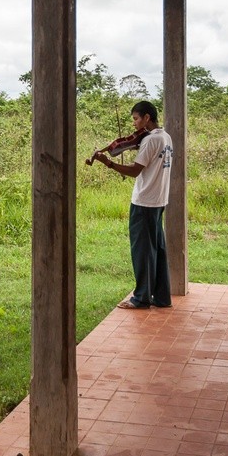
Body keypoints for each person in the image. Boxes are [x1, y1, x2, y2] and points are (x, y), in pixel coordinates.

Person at [93, 101, 173, 309]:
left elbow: (135, 171)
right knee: (158, 249)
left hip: (144, 202)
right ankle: (163, 298)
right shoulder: (166, 137)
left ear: (147, 118)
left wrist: (109, 163)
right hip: (159, 200)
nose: (135, 125)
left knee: (143, 251)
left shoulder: (149, 141)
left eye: (136, 119)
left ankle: (141, 299)